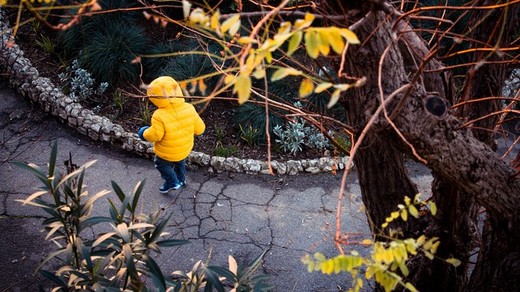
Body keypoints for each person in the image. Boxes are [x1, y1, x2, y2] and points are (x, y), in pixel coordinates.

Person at [138, 76, 206, 193]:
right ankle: (181, 179)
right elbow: (200, 129)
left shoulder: (159, 115)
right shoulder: (189, 108)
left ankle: (171, 182)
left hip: (166, 152)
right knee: (180, 163)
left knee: (161, 165)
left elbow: (155, 135)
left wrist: (143, 133)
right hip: (184, 149)